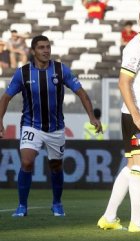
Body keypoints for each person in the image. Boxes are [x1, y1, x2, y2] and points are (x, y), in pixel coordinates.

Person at [0, 35, 102, 217]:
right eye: (41, 47)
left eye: (48, 47)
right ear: (33, 51)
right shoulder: (23, 73)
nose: (46, 50)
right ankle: (22, 206)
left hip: (55, 128)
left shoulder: (60, 70)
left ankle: (57, 203)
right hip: (31, 125)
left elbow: (82, 93)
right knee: (26, 161)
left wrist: (92, 117)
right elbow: (6, 98)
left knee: (55, 166)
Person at [96, 3, 140, 233]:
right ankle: (137, 221)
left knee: (134, 165)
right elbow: (123, 82)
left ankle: (109, 216)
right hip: (138, 114)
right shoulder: (135, 47)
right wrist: (136, 114)